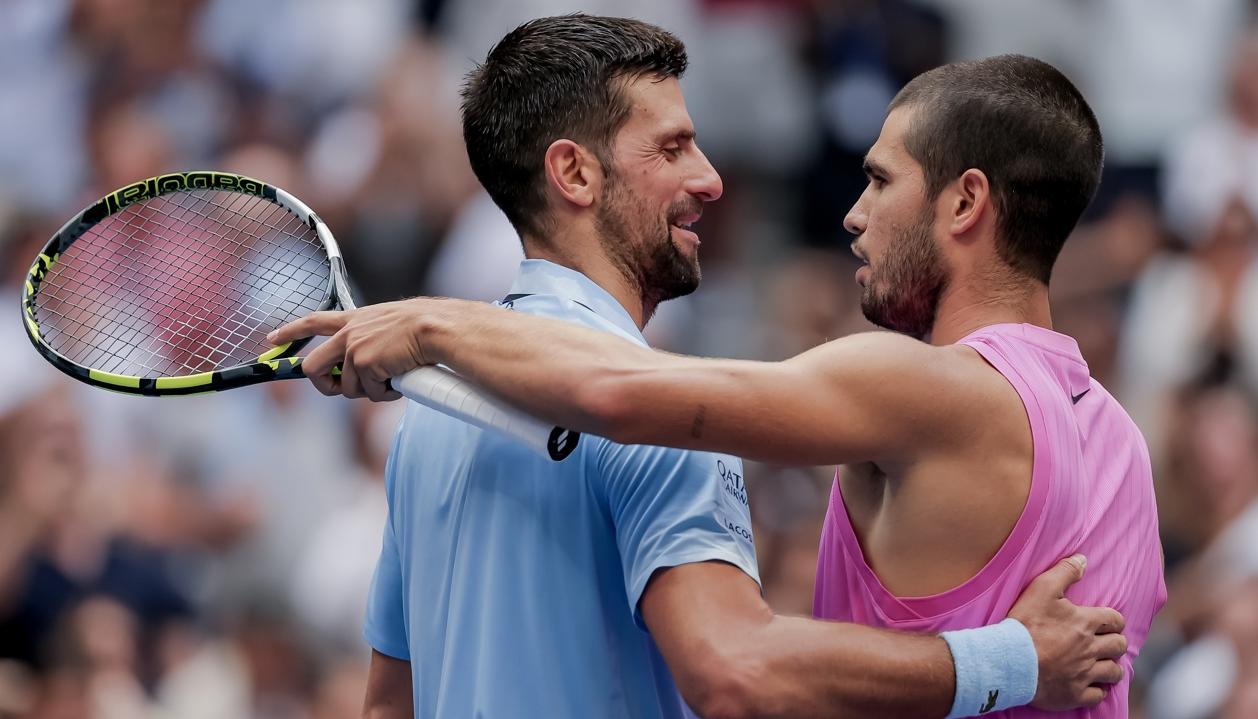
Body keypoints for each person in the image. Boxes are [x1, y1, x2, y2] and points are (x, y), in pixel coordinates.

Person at [275, 21, 1129, 718]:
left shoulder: (429, 411)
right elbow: (737, 670)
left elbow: (388, 705)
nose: (712, 179)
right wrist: (1010, 660)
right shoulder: (659, 417)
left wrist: (435, 322)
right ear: (574, 172)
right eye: (674, 146)